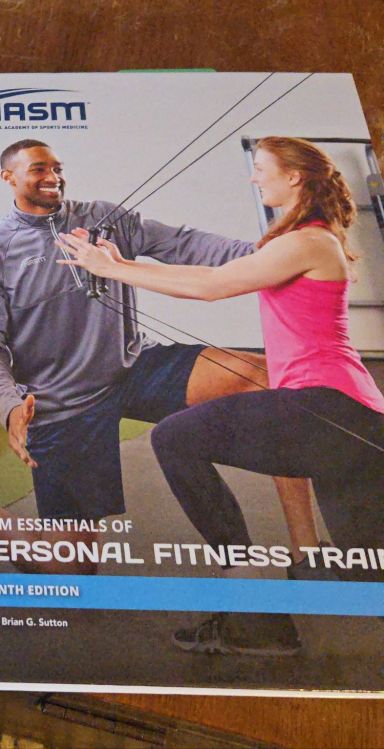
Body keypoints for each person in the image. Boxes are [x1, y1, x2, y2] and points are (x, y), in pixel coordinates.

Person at [58, 136, 384, 655]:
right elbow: (206, 275)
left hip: (327, 405)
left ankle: (249, 596)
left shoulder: (309, 242)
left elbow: (212, 286)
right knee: (371, 575)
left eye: (261, 168)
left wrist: (111, 269)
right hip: (348, 416)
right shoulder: (299, 239)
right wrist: (122, 263)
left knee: (174, 439)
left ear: (293, 177)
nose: (254, 177)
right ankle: (260, 621)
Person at [0, 139, 307, 574]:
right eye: (39, 169)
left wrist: (269, 253)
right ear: (8, 177)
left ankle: (279, 555)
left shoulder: (103, 218)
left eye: (57, 168)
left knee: (266, 377)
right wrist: (9, 406)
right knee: (70, 570)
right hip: (62, 401)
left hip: (133, 367)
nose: (53, 177)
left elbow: (181, 243)